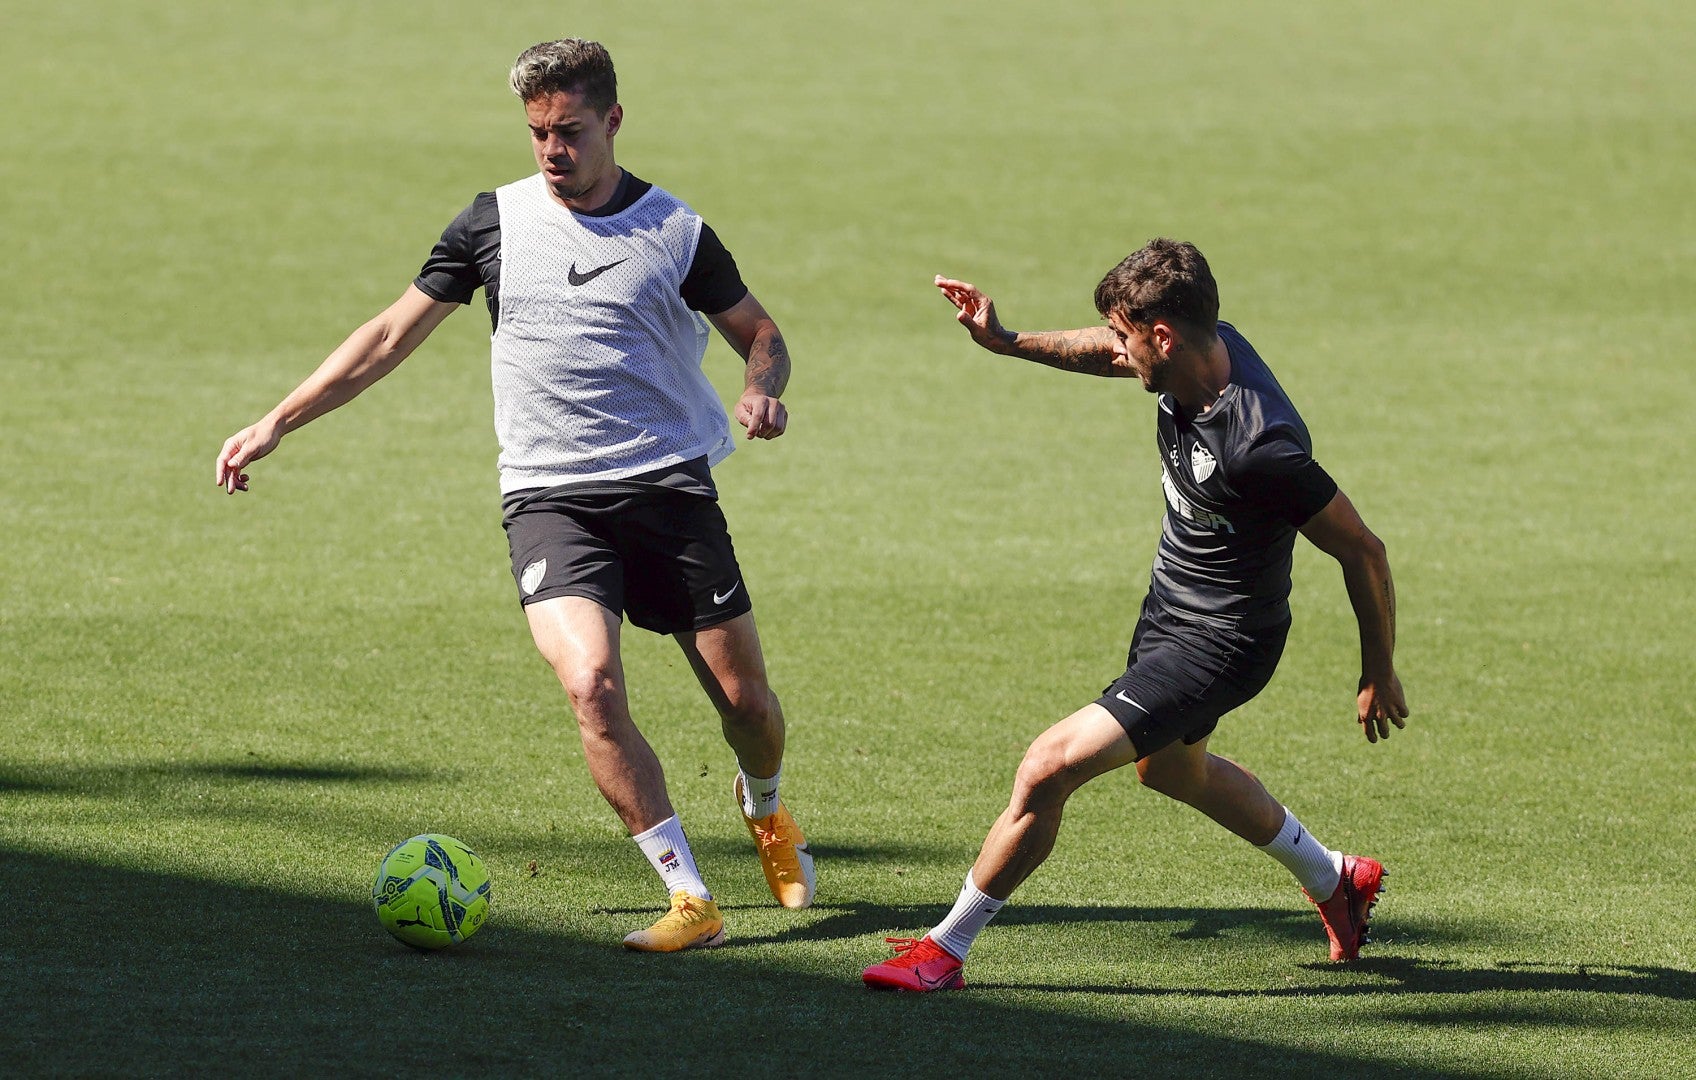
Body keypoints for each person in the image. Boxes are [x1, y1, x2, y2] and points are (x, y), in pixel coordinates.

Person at [214, 38, 812, 952]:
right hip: (549, 496)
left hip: (668, 491)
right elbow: (386, 336)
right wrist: (278, 421)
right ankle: (690, 896)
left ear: (612, 120)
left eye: (569, 131)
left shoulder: (674, 231)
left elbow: (760, 332)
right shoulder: (490, 223)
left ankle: (764, 808)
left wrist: (763, 385)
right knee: (590, 682)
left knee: (748, 711)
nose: (552, 151)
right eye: (537, 133)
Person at [863, 239, 1408, 991]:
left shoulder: (1261, 447)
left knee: (1046, 768)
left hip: (1223, 642)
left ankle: (944, 949)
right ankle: (1336, 879)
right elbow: (1104, 353)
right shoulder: (1193, 353)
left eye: (1125, 335)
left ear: (1164, 336)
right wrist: (1006, 339)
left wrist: (1378, 672)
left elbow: (1365, 552)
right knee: (1171, 771)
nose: (1116, 350)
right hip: (1170, 613)